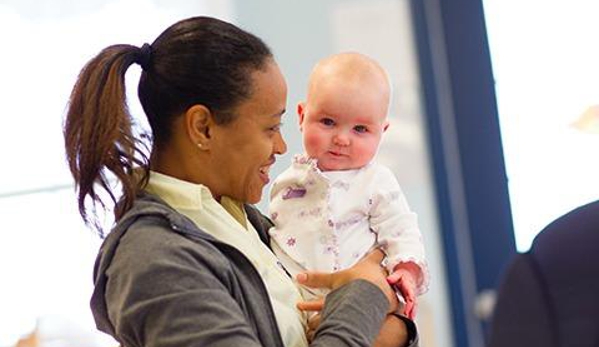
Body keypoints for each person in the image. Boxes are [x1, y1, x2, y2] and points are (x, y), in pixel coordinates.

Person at [63, 16, 419, 347]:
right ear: (203, 127)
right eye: (271, 128)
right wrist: (368, 294)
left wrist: (395, 327)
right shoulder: (153, 259)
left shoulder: (242, 221)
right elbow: (358, 317)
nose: (281, 147)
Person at [269, 53, 429, 321]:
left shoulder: (375, 181)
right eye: (328, 122)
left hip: (356, 304)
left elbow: (402, 229)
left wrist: (407, 270)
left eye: (360, 129)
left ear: (382, 132)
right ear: (301, 116)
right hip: (294, 303)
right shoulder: (286, 181)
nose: (342, 139)